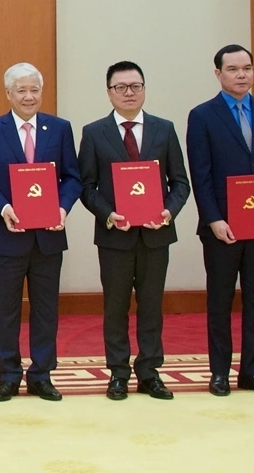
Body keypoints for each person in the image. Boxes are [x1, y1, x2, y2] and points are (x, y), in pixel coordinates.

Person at [0, 63, 81, 403]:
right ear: (8, 94)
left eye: (34, 90)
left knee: (46, 309)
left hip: (48, 236)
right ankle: (7, 375)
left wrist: (62, 208)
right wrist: (3, 208)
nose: (28, 96)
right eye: (21, 90)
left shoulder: (59, 129)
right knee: (5, 310)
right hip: (5, 236)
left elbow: (72, 177)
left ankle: (42, 375)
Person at [78, 61, 190, 401]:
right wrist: (108, 214)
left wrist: (168, 212)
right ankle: (118, 373)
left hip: (156, 235)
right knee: (115, 307)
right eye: (121, 87)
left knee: (151, 306)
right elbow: (86, 187)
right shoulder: (94, 132)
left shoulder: (163, 129)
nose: (129, 93)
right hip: (115, 236)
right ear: (109, 92)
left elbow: (180, 182)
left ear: (144, 89)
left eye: (135, 86)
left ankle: (150, 372)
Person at [185, 45, 254, 397]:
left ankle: (253, 372)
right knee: (220, 301)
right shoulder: (202, 116)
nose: (242, 75)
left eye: (247, 67)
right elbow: (200, 175)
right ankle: (219, 372)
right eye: (233, 69)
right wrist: (213, 219)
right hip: (222, 229)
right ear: (218, 74)